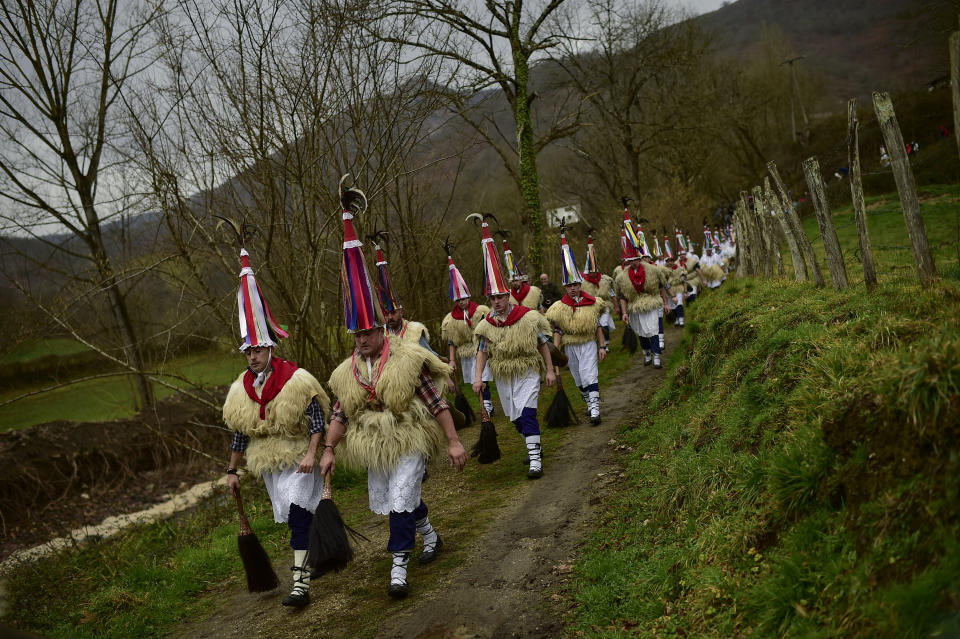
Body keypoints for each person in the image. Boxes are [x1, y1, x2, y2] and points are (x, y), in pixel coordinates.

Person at [319, 180, 466, 599]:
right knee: (397, 498)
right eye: (357, 333)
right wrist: (330, 448)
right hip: (375, 443)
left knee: (402, 497)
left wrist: (453, 441)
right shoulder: (347, 370)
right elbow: (341, 412)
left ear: (381, 328)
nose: (362, 339)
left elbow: (437, 403)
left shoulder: (405, 358)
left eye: (368, 332)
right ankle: (430, 536)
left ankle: (398, 566)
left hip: (409, 436)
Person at [222, 248, 330, 609]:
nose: (252, 356)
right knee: (296, 516)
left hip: (300, 454)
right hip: (270, 461)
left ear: (270, 347)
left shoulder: (296, 379)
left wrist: (314, 452)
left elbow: (318, 418)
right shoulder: (241, 389)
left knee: (299, 513)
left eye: (258, 349)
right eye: (248, 351)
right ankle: (322, 551)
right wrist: (232, 469)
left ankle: (299, 584)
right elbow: (241, 431)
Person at [472, 217, 556, 478]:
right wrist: (477, 378)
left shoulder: (528, 318)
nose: (496, 302)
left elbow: (543, 344)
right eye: (492, 298)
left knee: (528, 412)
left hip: (528, 369)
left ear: (508, 295)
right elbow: (482, 351)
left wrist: (550, 371)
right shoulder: (486, 325)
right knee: (516, 418)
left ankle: (534, 461)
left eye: (500, 297)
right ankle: (534, 446)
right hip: (505, 375)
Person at [545, 231, 607, 424]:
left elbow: (597, 326)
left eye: (575, 284)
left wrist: (602, 346)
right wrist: (555, 353)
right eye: (569, 285)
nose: (573, 288)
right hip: (570, 346)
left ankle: (596, 409)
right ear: (565, 287)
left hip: (588, 343)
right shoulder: (559, 308)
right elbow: (558, 330)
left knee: (590, 374)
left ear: (580, 284)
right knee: (579, 379)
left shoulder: (592, 303)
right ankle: (589, 403)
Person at [440, 252, 494, 414]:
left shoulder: (480, 312)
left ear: (469, 297)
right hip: (466, 353)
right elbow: (452, 341)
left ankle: (487, 403)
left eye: (464, 299)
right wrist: (451, 360)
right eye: (459, 300)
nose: (462, 302)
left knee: (483, 377)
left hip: (481, 349)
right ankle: (482, 403)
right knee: (473, 380)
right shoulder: (451, 320)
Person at [615, 230, 671, 368]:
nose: (634, 262)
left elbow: (661, 286)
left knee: (653, 330)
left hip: (651, 303)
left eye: (636, 259)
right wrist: (624, 312)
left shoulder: (652, 271)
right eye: (632, 260)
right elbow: (622, 296)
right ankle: (646, 353)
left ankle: (656, 355)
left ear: (640, 259)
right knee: (641, 332)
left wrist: (665, 303)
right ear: (628, 261)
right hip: (635, 306)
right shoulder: (622, 277)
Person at [373, 242, 434, 353]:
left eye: (393, 312)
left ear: (401, 312)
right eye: (386, 313)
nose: (389, 317)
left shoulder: (414, 331)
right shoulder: (379, 334)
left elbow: (428, 354)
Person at [580, 234, 616, 343]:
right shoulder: (583, 283)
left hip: (604, 306)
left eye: (595, 271)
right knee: (595, 325)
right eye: (591, 272)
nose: (593, 274)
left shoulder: (605, 280)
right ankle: (599, 341)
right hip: (591, 307)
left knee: (604, 323)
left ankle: (606, 342)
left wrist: (617, 306)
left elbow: (612, 293)